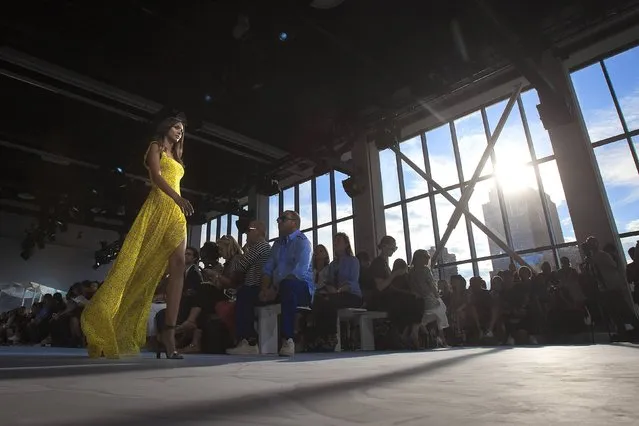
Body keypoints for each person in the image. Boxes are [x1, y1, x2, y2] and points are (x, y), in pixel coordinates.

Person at [81, 116, 194, 359]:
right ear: (166, 128)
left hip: (176, 214)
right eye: (176, 127)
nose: (179, 132)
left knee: (179, 264)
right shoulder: (156, 147)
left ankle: (169, 332)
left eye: (182, 130)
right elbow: (155, 176)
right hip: (158, 208)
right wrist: (177, 198)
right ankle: (107, 318)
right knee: (140, 266)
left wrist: (178, 202)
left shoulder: (178, 156)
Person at [260, 210, 313, 357]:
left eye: (282, 219)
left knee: (287, 286)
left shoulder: (303, 242)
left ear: (294, 223)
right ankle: (247, 340)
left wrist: (275, 288)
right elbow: (268, 269)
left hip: (300, 289)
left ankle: (288, 339)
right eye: (278, 219)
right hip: (279, 288)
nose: (278, 221)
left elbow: (298, 273)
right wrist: (264, 289)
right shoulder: (277, 244)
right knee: (246, 291)